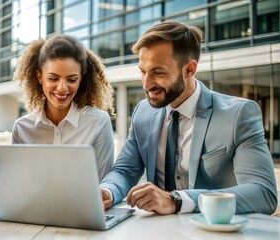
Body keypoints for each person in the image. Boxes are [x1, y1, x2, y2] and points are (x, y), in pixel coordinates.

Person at [100, 21, 278, 215]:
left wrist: (177, 201)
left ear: (189, 70)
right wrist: (107, 190)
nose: (146, 84)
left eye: (158, 72)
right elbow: (124, 171)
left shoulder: (238, 114)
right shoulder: (143, 112)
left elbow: (263, 193)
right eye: (143, 72)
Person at [12, 34, 115, 180]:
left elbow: (103, 184)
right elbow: (19, 181)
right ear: (40, 77)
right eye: (53, 78)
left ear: (81, 78)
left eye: (72, 79)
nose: (62, 88)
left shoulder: (98, 122)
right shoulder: (22, 128)